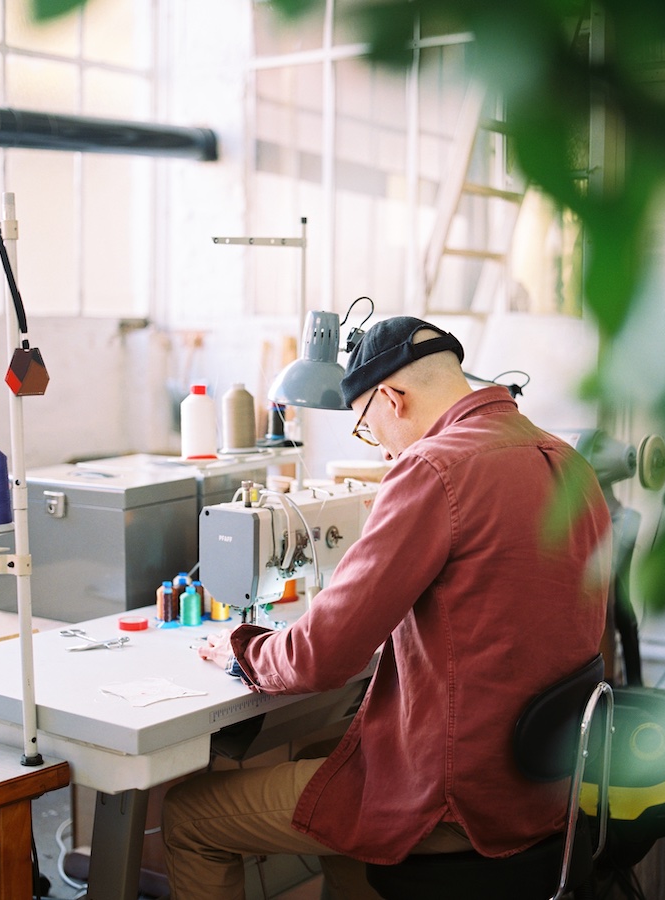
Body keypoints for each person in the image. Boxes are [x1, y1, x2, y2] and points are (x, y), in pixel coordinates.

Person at [162, 316, 612, 899]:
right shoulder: (568, 461)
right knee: (332, 753)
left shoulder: (432, 469)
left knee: (190, 817)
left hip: (457, 802)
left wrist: (243, 645)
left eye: (369, 430)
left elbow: (322, 657)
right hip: (543, 790)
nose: (381, 447)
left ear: (393, 399)